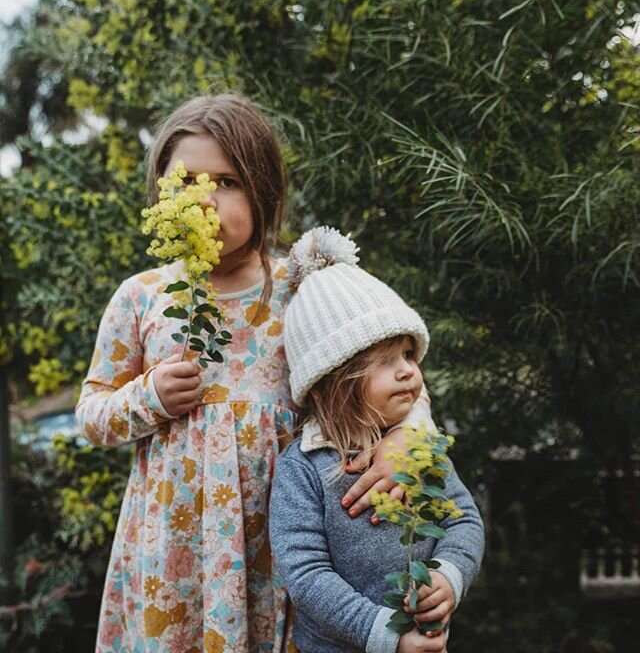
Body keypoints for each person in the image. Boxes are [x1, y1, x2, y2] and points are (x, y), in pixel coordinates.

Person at [75, 94, 436, 653]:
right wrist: (148, 397)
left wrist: (408, 438)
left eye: (226, 181)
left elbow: (395, 373)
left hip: (294, 537)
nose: (205, 201)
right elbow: (92, 414)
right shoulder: (142, 297)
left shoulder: (304, 288)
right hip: (177, 545)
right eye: (186, 183)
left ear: (263, 188)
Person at [269, 226, 485, 653]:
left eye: (407, 354)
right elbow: (306, 573)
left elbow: (463, 521)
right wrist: (386, 635)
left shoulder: (421, 449)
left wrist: (446, 576)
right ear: (327, 384)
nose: (408, 370)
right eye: (385, 361)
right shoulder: (304, 466)